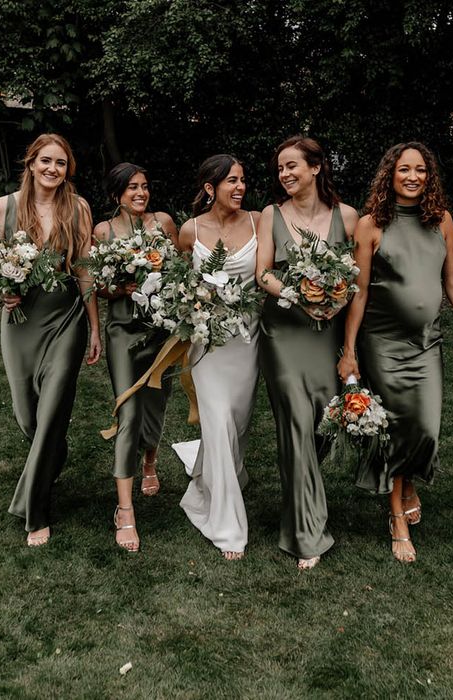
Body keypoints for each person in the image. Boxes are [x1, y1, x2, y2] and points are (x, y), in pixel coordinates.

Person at [337, 142, 453, 563]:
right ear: (389, 175)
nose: (413, 177)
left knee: (426, 426)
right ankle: (395, 516)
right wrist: (349, 350)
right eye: (404, 170)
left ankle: (406, 481)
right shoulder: (371, 224)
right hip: (383, 342)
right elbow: (358, 293)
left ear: (429, 178)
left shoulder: (442, 221)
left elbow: (451, 284)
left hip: (426, 341)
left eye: (421, 171)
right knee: (392, 427)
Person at [0, 133, 101, 547]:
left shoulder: (79, 207)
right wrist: (4, 291)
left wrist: (94, 326)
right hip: (20, 319)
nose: (53, 169)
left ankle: (36, 513)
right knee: (28, 417)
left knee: (53, 409)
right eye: (46, 161)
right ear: (31, 163)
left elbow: (85, 267)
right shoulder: (6, 206)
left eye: (61, 163)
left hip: (66, 316)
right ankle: (54, 454)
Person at [256, 135, 358, 569]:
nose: (285, 174)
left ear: (317, 168)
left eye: (293, 166)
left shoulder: (347, 216)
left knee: (320, 422)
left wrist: (336, 297)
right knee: (296, 423)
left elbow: (357, 277)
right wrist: (300, 295)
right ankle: (306, 532)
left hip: (327, 334)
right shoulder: (271, 215)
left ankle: (302, 491)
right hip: (283, 333)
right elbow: (262, 274)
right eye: (280, 168)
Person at [172, 155, 261, 561]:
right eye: (231, 181)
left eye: (242, 180)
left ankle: (211, 477)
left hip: (247, 340)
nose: (240, 187)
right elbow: (180, 283)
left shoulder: (260, 222)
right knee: (219, 418)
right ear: (210, 188)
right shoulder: (190, 230)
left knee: (236, 424)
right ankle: (227, 527)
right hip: (207, 344)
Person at [93, 162, 178, 552]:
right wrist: (122, 286)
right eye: (131, 188)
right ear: (116, 195)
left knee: (156, 403)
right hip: (123, 331)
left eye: (144, 186)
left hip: (161, 330)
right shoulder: (103, 232)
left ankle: (149, 462)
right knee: (128, 410)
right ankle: (124, 509)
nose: (140, 193)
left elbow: (178, 274)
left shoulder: (164, 222)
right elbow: (99, 288)